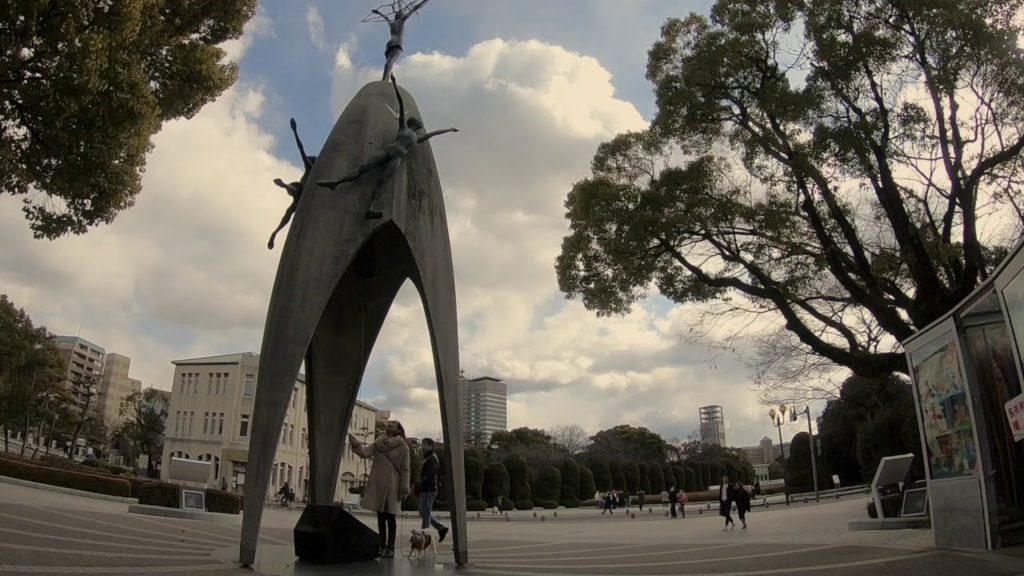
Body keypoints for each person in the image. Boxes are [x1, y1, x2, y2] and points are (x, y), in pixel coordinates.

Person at [317, 75, 458, 219]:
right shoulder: (404, 127)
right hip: (389, 150)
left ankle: (370, 208)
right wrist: (395, 84)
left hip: (397, 158)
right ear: (414, 123)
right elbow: (401, 104)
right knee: (363, 168)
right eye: (419, 122)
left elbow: (434, 134)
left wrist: (449, 129)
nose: (421, 124)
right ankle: (336, 182)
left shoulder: (417, 138)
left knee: (382, 181)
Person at [350, 420, 410, 558]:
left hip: (393, 484)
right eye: (389, 423)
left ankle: (391, 547)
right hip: (378, 482)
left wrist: (404, 488)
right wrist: (357, 445)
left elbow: (405, 469)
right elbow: (365, 453)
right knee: (380, 517)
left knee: (390, 517)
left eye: (393, 423)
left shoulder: (403, 447)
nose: (390, 424)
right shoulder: (378, 442)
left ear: (398, 429)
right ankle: (382, 546)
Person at [372, 0, 432, 82]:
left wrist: (423, 2)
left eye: (398, 13)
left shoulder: (400, 21)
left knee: (388, 63)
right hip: (391, 45)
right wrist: (378, 12)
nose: (397, 13)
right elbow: (386, 18)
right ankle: (386, 80)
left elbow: (414, 8)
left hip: (395, 45)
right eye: (397, 13)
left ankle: (384, 80)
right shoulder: (393, 23)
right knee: (389, 64)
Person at [415, 438, 450, 542]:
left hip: (429, 489)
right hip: (425, 489)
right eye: (422, 444)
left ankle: (425, 537)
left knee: (425, 513)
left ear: (430, 446)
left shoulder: (432, 459)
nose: (422, 446)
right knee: (423, 512)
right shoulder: (427, 458)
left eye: (424, 444)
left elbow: (430, 476)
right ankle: (441, 527)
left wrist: (420, 485)